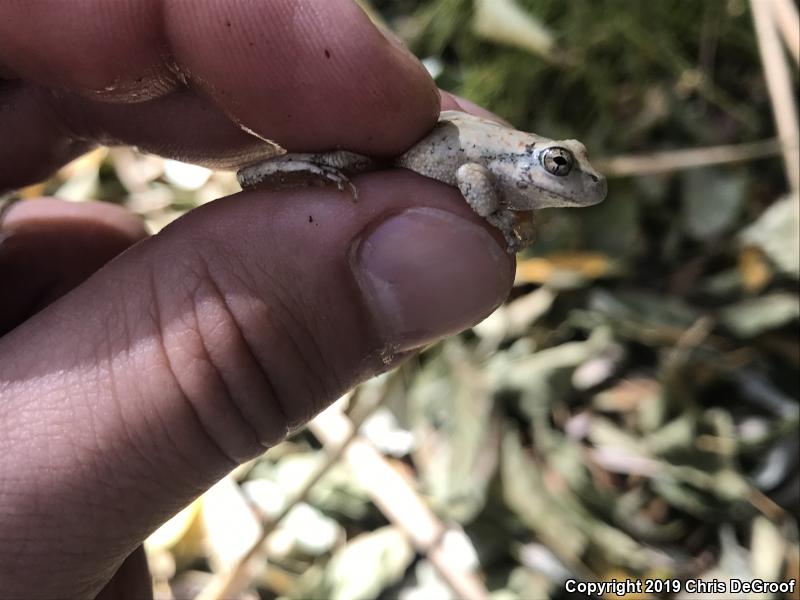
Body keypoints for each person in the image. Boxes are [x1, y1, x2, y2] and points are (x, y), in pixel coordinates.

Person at [0, 2, 514, 597]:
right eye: (556, 164)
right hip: (384, 161)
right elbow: (475, 183)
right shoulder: (491, 170)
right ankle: (300, 173)